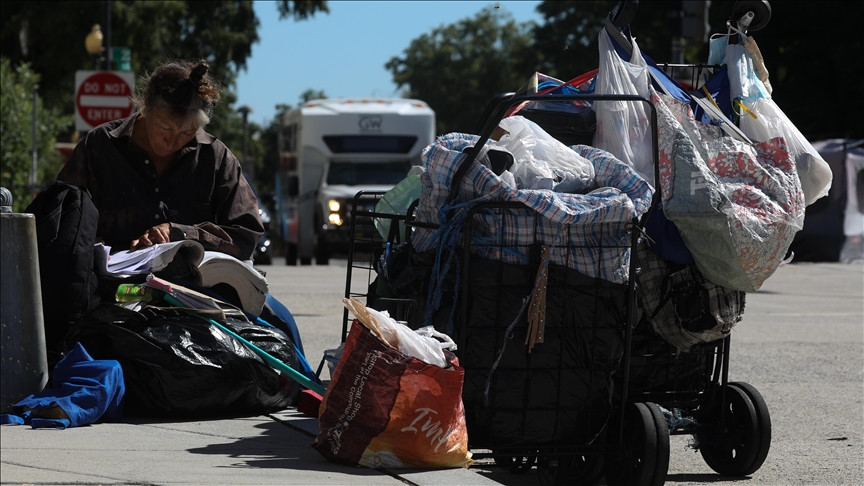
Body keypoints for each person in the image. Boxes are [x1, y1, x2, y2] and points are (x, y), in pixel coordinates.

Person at [57, 59, 263, 260]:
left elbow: (246, 234)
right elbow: (59, 218)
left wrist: (180, 233)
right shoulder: (100, 146)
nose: (173, 141)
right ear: (147, 104)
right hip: (104, 287)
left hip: (188, 288)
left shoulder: (216, 158)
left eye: (187, 132)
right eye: (165, 128)